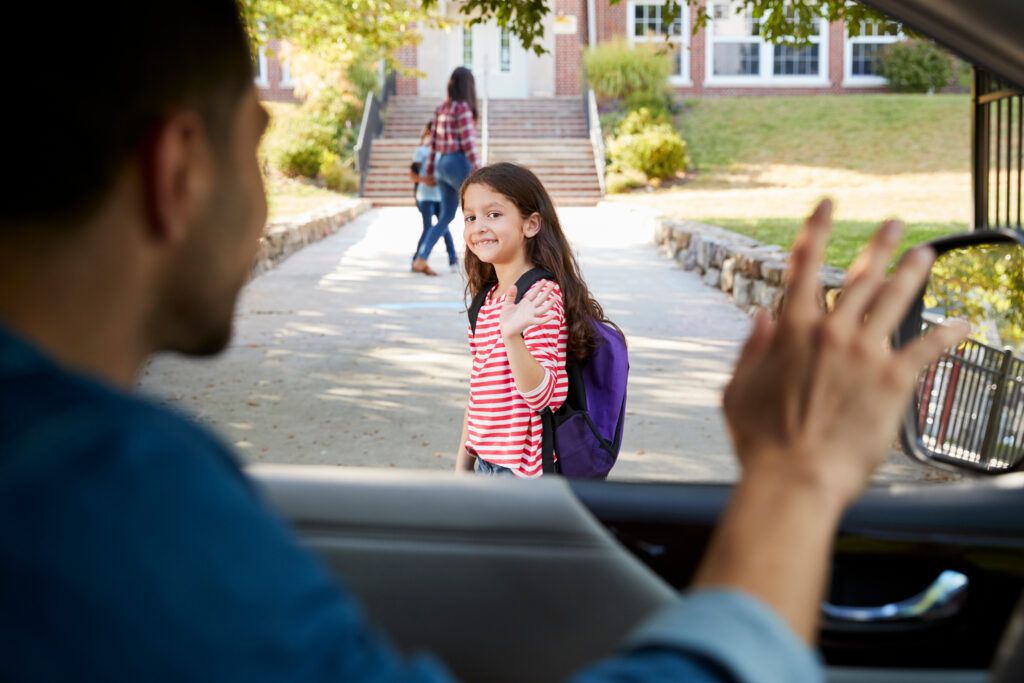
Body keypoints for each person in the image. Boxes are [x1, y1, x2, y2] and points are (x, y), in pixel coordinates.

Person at [0, 2, 969, 681]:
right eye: (256, 141)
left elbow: (540, 392)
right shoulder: (109, 490)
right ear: (178, 170)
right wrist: (797, 479)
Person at [453, 163, 615, 478]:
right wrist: (464, 460)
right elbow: (480, 390)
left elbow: (545, 397)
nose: (479, 226)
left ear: (531, 224)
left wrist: (512, 336)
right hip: (488, 462)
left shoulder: (540, 297)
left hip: (522, 473)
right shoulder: (486, 300)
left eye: (494, 214)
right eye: (470, 217)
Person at [411, 66, 480, 277]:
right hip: (457, 161)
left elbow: (433, 143)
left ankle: (421, 258)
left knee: (447, 215)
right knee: (478, 210)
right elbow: (468, 143)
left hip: (441, 164)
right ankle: (483, 263)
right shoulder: (463, 109)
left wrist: (431, 170)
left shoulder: (442, 108)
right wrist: (479, 171)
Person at [410, 122, 458, 273]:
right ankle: (418, 259)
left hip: (442, 197)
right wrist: (425, 180)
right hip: (425, 196)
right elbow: (412, 175)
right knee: (428, 228)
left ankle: (453, 261)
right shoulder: (421, 151)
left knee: (445, 227)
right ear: (429, 133)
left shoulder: (445, 153)